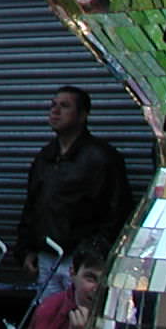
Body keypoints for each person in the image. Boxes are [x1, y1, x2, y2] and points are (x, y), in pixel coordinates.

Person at [10, 86, 133, 302]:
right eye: (53, 105)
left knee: (79, 311)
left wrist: (92, 254)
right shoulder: (45, 157)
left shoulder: (101, 158)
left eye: (64, 106)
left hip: (78, 259)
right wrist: (26, 249)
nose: (55, 111)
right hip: (47, 257)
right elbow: (33, 206)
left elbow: (117, 210)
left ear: (83, 114)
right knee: (48, 314)